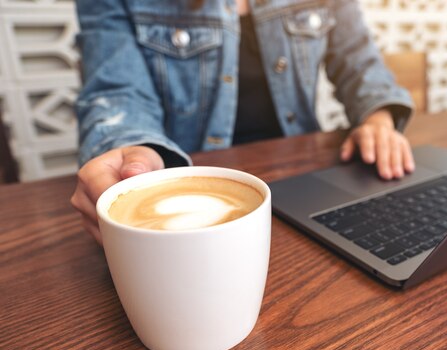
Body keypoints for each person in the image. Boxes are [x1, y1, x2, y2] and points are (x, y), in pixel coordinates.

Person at [71, 0, 415, 243]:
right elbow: (116, 88)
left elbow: (359, 59)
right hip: (186, 185)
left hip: (309, 184)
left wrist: (378, 118)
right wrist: (131, 149)